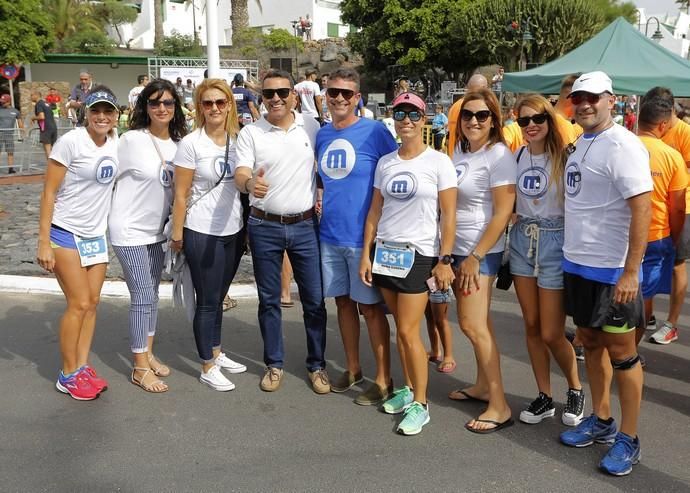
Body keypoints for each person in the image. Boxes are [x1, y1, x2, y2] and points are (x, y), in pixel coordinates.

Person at [557, 71, 651, 477]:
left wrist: (630, 271)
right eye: (579, 98)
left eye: (593, 97)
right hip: (577, 265)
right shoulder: (579, 143)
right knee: (590, 342)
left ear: (612, 100)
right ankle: (602, 420)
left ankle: (629, 439)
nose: (585, 104)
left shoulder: (624, 145)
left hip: (613, 272)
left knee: (624, 355)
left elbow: (642, 208)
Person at [359, 91, 456, 435]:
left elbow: (449, 216)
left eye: (414, 114)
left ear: (424, 118)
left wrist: (445, 259)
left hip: (419, 255)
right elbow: (374, 211)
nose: (407, 121)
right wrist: (365, 254)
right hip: (385, 253)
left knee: (407, 330)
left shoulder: (438, 162)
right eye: (400, 113)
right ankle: (410, 389)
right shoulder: (386, 162)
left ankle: (422, 404)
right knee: (403, 330)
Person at [234, 69, 329, 394]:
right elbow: (241, 172)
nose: (276, 99)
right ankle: (274, 364)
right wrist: (249, 184)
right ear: (261, 97)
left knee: (315, 300)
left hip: (305, 225)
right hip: (264, 225)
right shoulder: (252, 133)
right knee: (269, 301)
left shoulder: (312, 126)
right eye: (269, 93)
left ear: (293, 95)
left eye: (282, 93)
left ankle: (317, 365)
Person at [315, 68, 398, 405]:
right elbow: (322, 179)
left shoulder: (375, 132)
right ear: (325, 95)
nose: (339, 99)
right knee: (343, 303)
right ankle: (353, 368)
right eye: (333, 92)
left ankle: (383, 378)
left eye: (346, 94)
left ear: (357, 97)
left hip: (363, 238)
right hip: (329, 235)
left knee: (371, 308)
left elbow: (395, 171)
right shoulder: (321, 134)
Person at [36, 86, 120, 400]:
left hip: (95, 236)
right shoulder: (71, 142)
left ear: (115, 116)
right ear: (85, 112)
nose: (101, 117)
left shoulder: (115, 142)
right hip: (65, 233)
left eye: (107, 111)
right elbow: (48, 193)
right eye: (96, 110)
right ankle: (67, 373)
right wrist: (43, 242)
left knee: (93, 303)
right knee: (79, 303)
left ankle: (82, 366)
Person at [509, 94, 584, 426]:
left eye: (538, 119)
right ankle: (543, 395)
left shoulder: (565, 158)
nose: (531, 126)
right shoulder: (517, 156)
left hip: (555, 240)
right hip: (523, 240)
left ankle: (575, 388)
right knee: (531, 325)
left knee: (553, 332)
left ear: (550, 120)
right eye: (524, 121)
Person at [110, 79, 188, 393]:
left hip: (157, 233)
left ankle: (148, 352)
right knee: (143, 296)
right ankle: (140, 368)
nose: (161, 108)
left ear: (176, 108)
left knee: (150, 296)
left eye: (168, 103)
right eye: (154, 102)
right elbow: (106, 176)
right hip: (128, 230)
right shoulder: (130, 141)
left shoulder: (181, 145)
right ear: (145, 107)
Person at [170, 78, 248, 391]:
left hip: (234, 229)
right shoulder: (191, 144)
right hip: (201, 230)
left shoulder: (238, 139)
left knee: (218, 298)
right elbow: (181, 194)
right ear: (199, 107)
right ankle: (206, 365)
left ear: (229, 104)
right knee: (206, 300)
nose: (214, 108)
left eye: (220, 102)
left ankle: (216, 351)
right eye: (207, 103)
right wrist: (177, 235)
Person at [448, 88, 515, 434]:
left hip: (480, 253)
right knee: (479, 325)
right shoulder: (460, 152)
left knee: (473, 326)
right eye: (468, 115)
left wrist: (475, 256)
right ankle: (482, 385)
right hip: (458, 250)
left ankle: (500, 405)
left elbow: (503, 212)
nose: (474, 121)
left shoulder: (499, 155)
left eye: (482, 115)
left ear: (493, 120)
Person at [635, 96, 687, 346]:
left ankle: (591, 342)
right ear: (663, 125)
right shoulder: (670, 156)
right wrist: (674, 237)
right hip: (655, 235)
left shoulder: (621, 146)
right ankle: (628, 352)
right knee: (643, 295)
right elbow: (677, 207)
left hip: (621, 235)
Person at [447, 74, 488, 157]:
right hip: (468, 157)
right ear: (483, 88)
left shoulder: (455, 106)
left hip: (454, 156)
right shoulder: (472, 107)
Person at [30, 90, 58, 159]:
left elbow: (41, 117)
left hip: (46, 128)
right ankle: (54, 167)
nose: (30, 97)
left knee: (47, 149)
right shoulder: (46, 104)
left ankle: (50, 168)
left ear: (36, 95)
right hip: (53, 127)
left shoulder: (39, 104)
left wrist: (33, 118)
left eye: (31, 95)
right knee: (53, 149)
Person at [0, 94, 23, 174]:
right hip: (0, 133)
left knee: (10, 151)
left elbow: (20, 123)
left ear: (9, 102)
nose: (2, 103)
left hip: (9, 134)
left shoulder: (15, 111)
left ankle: (10, 169)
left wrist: (23, 132)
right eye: (1, 102)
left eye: (4, 102)